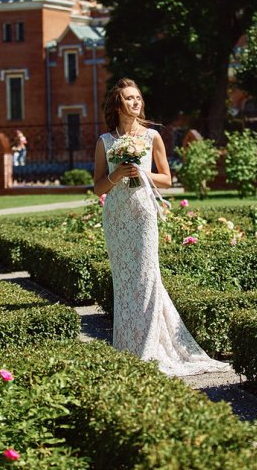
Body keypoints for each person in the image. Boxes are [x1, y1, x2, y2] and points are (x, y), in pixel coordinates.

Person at [93, 78, 230, 377]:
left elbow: (167, 179)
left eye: (138, 98)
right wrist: (118, 174)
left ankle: (149, 348)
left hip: (142, 215)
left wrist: (142, 173)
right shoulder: (105, 141)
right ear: (118, 105)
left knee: (146, 277)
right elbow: (97, 186)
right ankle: (127, 347)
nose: (136, 102)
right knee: (124, 282)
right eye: (129, 98)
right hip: (116, 217)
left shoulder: (152, 137)